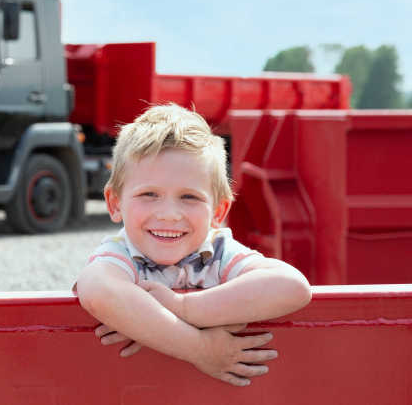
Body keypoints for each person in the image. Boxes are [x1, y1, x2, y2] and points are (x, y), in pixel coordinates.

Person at [73, 104, 311, 387]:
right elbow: (99, 293)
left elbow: (293, 286)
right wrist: (201, 349)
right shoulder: (120, 253)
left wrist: (183, 308)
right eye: (149, 194)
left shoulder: (219, 252)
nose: (169, 214)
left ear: (219, 212)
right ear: (115, 204)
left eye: (189, 197)